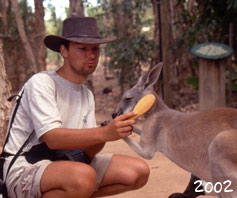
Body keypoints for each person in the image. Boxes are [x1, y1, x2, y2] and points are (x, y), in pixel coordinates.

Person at [3, 16, 150, 198]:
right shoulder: (42, 83)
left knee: (137, 172)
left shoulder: (86, 94)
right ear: (64, 51)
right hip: (26, 166)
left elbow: (86, 150)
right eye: (82, 48)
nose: (91, 55)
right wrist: (104, 133)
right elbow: (53, 138)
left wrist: (109, 132)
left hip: (67, 162)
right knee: (83, 177)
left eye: (95, 49)